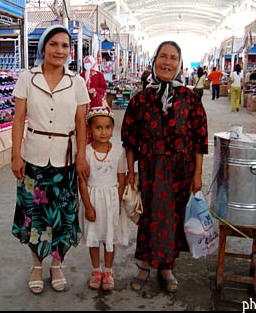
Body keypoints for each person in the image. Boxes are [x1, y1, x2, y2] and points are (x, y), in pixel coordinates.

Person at [121, 41, 208, 294]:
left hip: (181, 171)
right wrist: (130, 173)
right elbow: (130, 139)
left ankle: (167, 267)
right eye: (163, 56)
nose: (167, 62)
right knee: (148, 218)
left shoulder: (191, 99)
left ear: (179, 64)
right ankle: (144, 266)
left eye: (173, 58)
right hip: (150, 168)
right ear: (154, 60)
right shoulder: (141, 98)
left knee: (173, 220)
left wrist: (198, 174)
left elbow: (200, 140)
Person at [10, 24, 91, 295]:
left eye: (65, 46)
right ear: (43, 47)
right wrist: (15, 156)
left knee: (63, 216)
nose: (59, 50)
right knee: (35, 216)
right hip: (33, 159)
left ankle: (57, 264)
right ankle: (36, 265)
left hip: (65, 161)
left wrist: (81, 157)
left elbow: (81, 121)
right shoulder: (28, 78)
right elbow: (18, 119)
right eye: (54, 44)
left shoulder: (76, 82)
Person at [79, 106, 129, 291]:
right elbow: (82, 182)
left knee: (110, 238)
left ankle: (108, 271)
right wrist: (88, 206)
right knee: (93, 238)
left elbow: (121, 179)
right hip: (92, 200)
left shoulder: (118, 151)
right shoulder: (85, 153)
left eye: (107, 127)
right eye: (98, 127)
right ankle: (96, 270)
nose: (103, 132)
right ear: (90, 129)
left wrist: (117, 203)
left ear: (113, 128)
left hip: (112, 202)